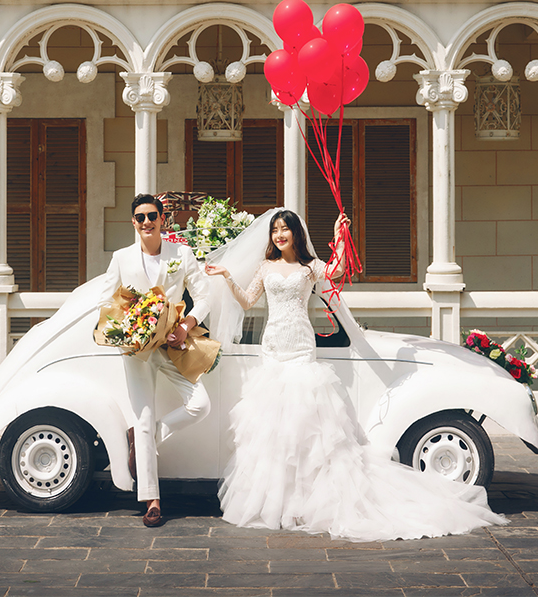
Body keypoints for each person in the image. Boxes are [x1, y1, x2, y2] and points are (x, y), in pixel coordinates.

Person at [204, 209, 507, 542]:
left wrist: (339, 237)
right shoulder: (266, 267)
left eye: (285, 230)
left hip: (301, 346)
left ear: (295, 235)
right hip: (274, 346)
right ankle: (279, 501)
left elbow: (336, 271)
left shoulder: (309, 268)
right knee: (275, 427)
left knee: (307, 424)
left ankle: (307, 501)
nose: (279, 235)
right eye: (275, 230)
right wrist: (227, 277)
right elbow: (248, 302)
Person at [98, 193, 211, 528]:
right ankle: (152, 501)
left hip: (175, 345)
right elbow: (105, 302)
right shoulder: (121, 258)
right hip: (137, 352)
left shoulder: (182, 254)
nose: (146, 222)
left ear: (162, 219)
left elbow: (204, 295)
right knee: (143, 418)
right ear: (133, 223)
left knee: (200, 405)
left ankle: (145, 438)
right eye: (140, 217)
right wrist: (128, 327)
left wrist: (187, 324)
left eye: (152, 216)